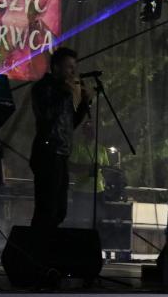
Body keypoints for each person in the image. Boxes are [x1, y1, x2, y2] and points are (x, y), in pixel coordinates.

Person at [29, 47, 92, 231]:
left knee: (60, 209)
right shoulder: (43, 88)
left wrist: (83, 103)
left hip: (62, 153)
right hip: (47, 152)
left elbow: (69, 124)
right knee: (46, 207)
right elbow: (48, 115)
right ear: (56, 67)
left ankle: (49, 240)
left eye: (74, 67)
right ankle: (37, 242)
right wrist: (67, 93)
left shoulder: (63, 92)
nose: (73, 72)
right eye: (69, 67)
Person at [68, 119, 110, 228]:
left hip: (99, 191)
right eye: (89, 129)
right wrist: (89, 168)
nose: (92, 131)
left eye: (94, 129)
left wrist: (107, 172)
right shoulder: (78, 147)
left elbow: (106, 168)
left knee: (99, 222)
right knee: (78, 222)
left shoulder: (101, 149)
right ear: (84, 131)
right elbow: (71, 167)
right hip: (81, 191)